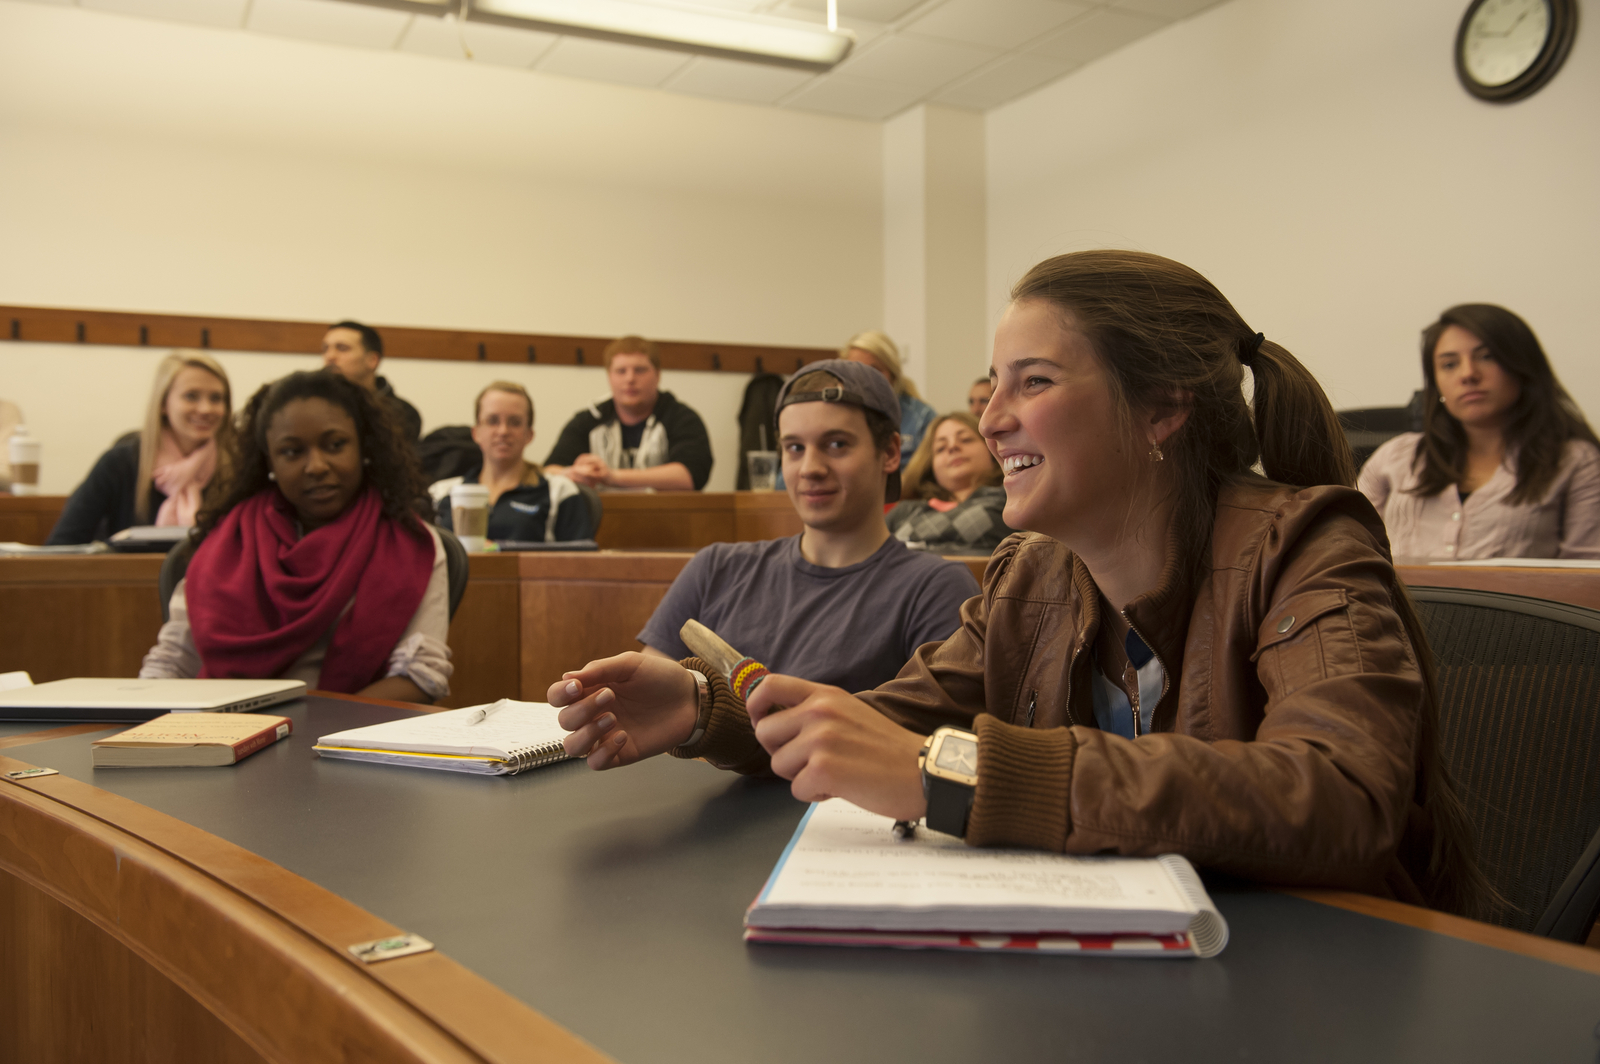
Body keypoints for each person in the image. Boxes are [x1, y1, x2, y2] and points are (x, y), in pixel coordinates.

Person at [550, 250, 1481, 916]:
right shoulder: (1029, 576)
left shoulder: (1308, 541)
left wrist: (956, 774)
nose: (991, 419)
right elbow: (883, 723)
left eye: (1030, 382)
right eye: (992, 386)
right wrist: (709, 709)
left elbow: (1343, 798)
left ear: (1161, 407)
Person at [634, 359, 979, 695]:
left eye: (836, 444)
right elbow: (649, 701)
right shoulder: (715, 568)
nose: (809, 468)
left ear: (889, 452)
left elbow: (931, 738)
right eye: (795, 447)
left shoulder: (934, 589)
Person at [140, 371, 451, 704]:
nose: (316, 466)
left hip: (350, 738)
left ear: (364, 446)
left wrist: (300, 728)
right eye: (291, 452)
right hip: (225, 733)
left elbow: (420, 675)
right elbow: (174, 661)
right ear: (269, 460)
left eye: (335, 445)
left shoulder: (411, 545)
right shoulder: (225, 542)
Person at [1359, 304, 1600, 560]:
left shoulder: (1576, 462)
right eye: (1449, 364)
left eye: (1486, 357)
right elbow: (1348, 553)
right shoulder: (1394, 457)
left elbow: (1585, 580)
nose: (1468, 374)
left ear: (1522, 367)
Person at [48, 352, 232, 544]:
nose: (205, 409)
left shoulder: (237, 470)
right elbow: (61, 546)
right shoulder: (118, 464)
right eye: (191, 396)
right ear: (162, 403)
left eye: (216, 398)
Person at [543, 336, 713, 491]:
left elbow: (689, 476)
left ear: (658, 375)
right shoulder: (588, 420)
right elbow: (549, 470)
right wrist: (575, 473)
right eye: (621, 371)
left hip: (669, 519)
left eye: (640, 370)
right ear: (609, 376)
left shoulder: (682, 418)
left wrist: (613, 476)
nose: (630, 379)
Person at [430, 381, 590, 543]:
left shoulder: (559, 491)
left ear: (529, 434)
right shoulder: (440, 493)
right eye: (492, 421)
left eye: (515, 422)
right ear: (476, 432)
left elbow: (579, 564)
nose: (503, 431)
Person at [887, 412, 1013, 555]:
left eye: (965, 440)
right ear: (930, 465)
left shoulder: (1009, 497)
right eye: (941, 448)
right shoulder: (904, 511)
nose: (952, 447)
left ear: (991, 449)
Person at [841, 331, 937, 463]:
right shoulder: (840, 414)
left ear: (893, 375)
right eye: (856, 371)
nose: (864, 379)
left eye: (874, 370)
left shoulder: (922, 417)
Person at [321, 320, 423, 443]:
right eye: (325, 349)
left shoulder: (402, 413)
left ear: (372, 360)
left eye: (342, 348)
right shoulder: (312, 405)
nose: (330, 356)